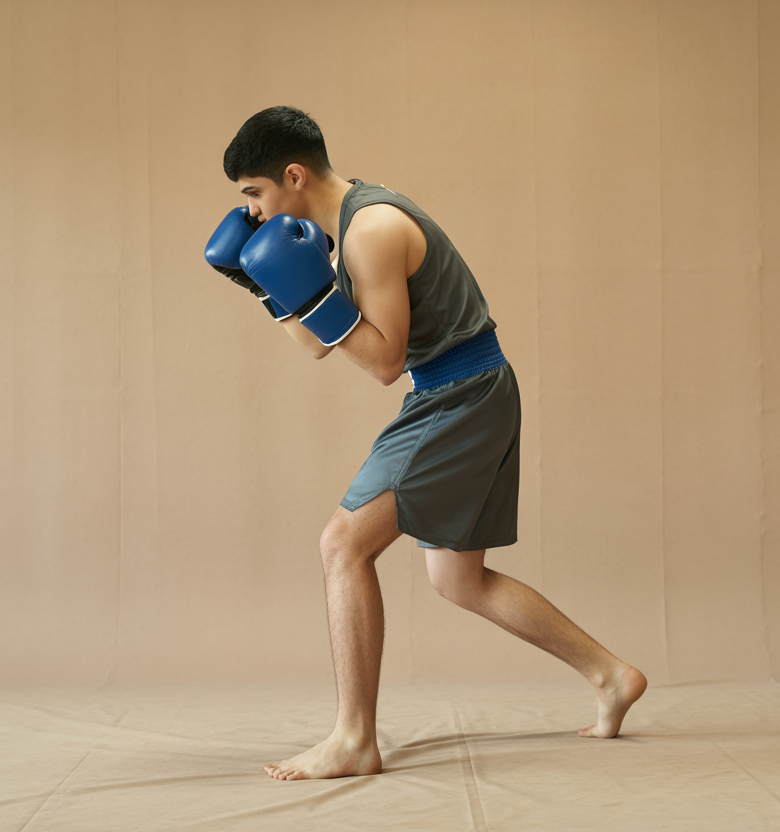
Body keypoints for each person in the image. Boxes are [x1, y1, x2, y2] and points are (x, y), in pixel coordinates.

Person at [206, 106, 647, 781]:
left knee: (342, 543)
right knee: (457, 579)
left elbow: (382, 361)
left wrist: (299, 282)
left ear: (292, 175)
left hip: (458, 394)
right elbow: (320, 347)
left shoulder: (373, 230)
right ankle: (610, 674)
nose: (255, 213)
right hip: (465, 389)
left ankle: (355, 738)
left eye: (255, 194)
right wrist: (266, 287)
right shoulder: (340, 228)